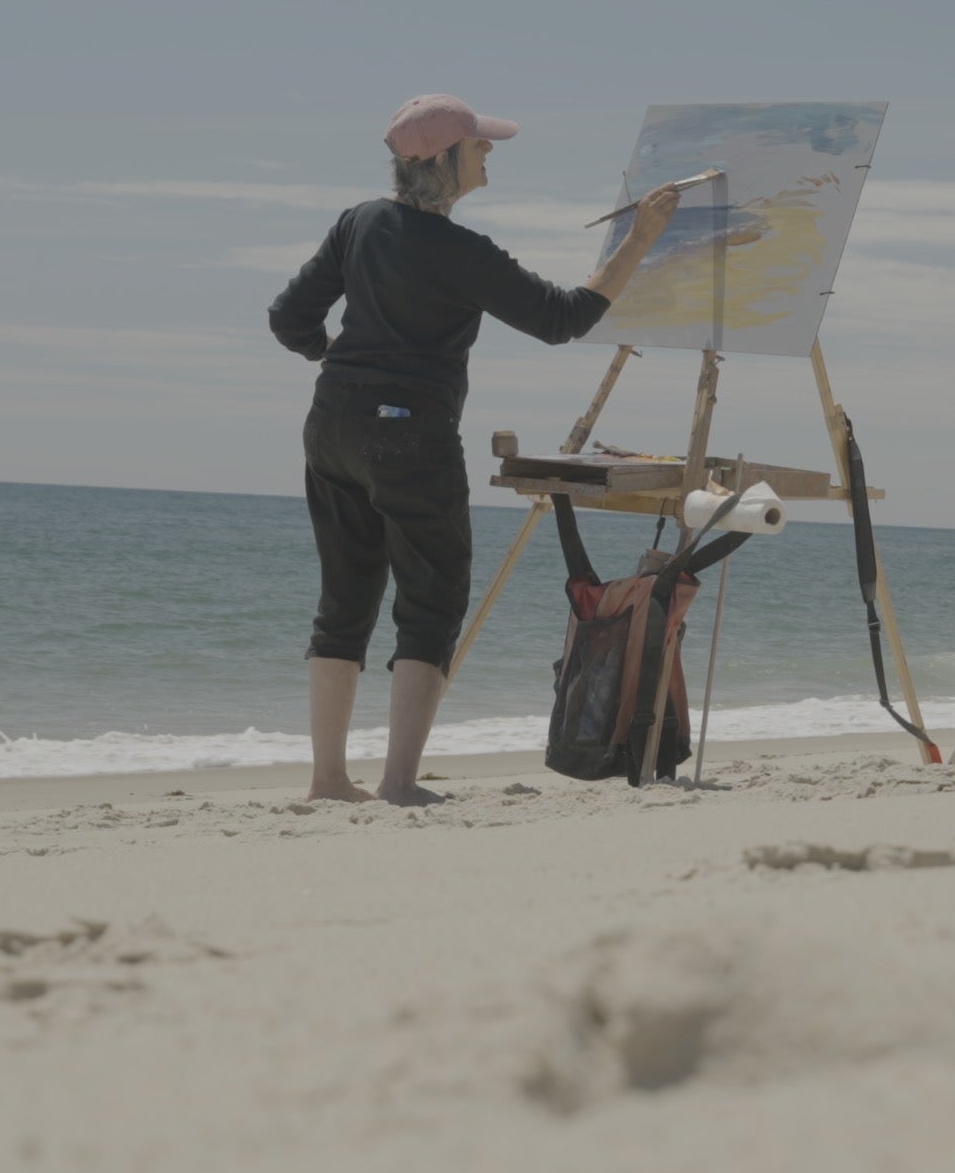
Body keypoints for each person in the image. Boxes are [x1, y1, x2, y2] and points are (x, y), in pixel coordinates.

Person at [269, 95, 683, 805]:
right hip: (409, 433)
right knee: (431, 602)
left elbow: (288, 319)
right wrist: (641, 238)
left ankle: (329, 781)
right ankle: (399, 783)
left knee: (344, 600)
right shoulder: (457, 252)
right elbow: (563, 318)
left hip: (333, 424)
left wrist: (342, 360)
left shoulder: (359, 223)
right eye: (479, 145)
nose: (489, 153)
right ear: (440, 161)